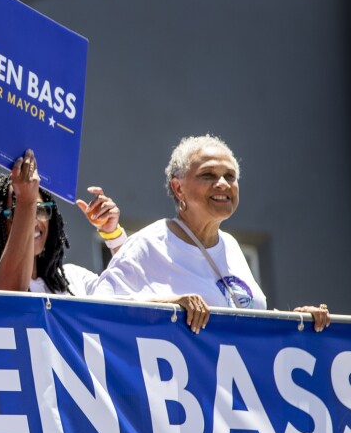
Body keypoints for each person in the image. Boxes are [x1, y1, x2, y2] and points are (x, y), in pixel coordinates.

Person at [94, 135, 330, 333]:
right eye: (208, 175)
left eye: (230, 176)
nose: (222, 184)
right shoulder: (149, 244)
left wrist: (298, 322)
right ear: (178, 188)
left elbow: (243, 322)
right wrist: (170, 306)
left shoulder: (231, 246)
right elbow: (97, 307)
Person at [0, 149, 126, 295]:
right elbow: (10, 296)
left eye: (40, 210)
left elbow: (129, 294)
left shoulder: (74, 279)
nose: (34, 221)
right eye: (18, 212)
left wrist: (113, 233)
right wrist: (26, 200)